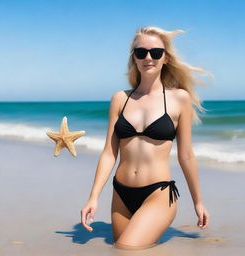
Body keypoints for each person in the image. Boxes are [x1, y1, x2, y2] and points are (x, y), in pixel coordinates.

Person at [81, 26, 210, 250]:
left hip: (157, 194)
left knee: (126, 248)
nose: (148, 57)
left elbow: (186, 155)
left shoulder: (179, 99)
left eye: (156, 52)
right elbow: (109, 153)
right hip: (120, 194)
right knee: (124, 246)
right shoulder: (120, 99)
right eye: (141, 52)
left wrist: (198, 202)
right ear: (134, 57)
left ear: (166, 58)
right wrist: (93, 197)